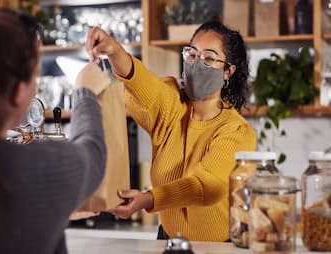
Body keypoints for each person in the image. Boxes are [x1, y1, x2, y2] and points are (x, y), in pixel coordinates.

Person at [86, 20, 256, 242]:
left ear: (227, 72)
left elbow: (206, 186)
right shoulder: (173, 104)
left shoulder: (236, 131)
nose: (196, 64)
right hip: (167, 241)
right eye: (192, 55)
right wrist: (114, 50)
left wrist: (149, 199)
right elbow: (143, 87)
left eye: (209, 58)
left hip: (218, 248)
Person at [0, 8, 109, 254]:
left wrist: (51, 208)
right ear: (18, 91)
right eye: (35, 77)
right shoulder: (33, 166)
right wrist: (85, 91)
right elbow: (92, 153)